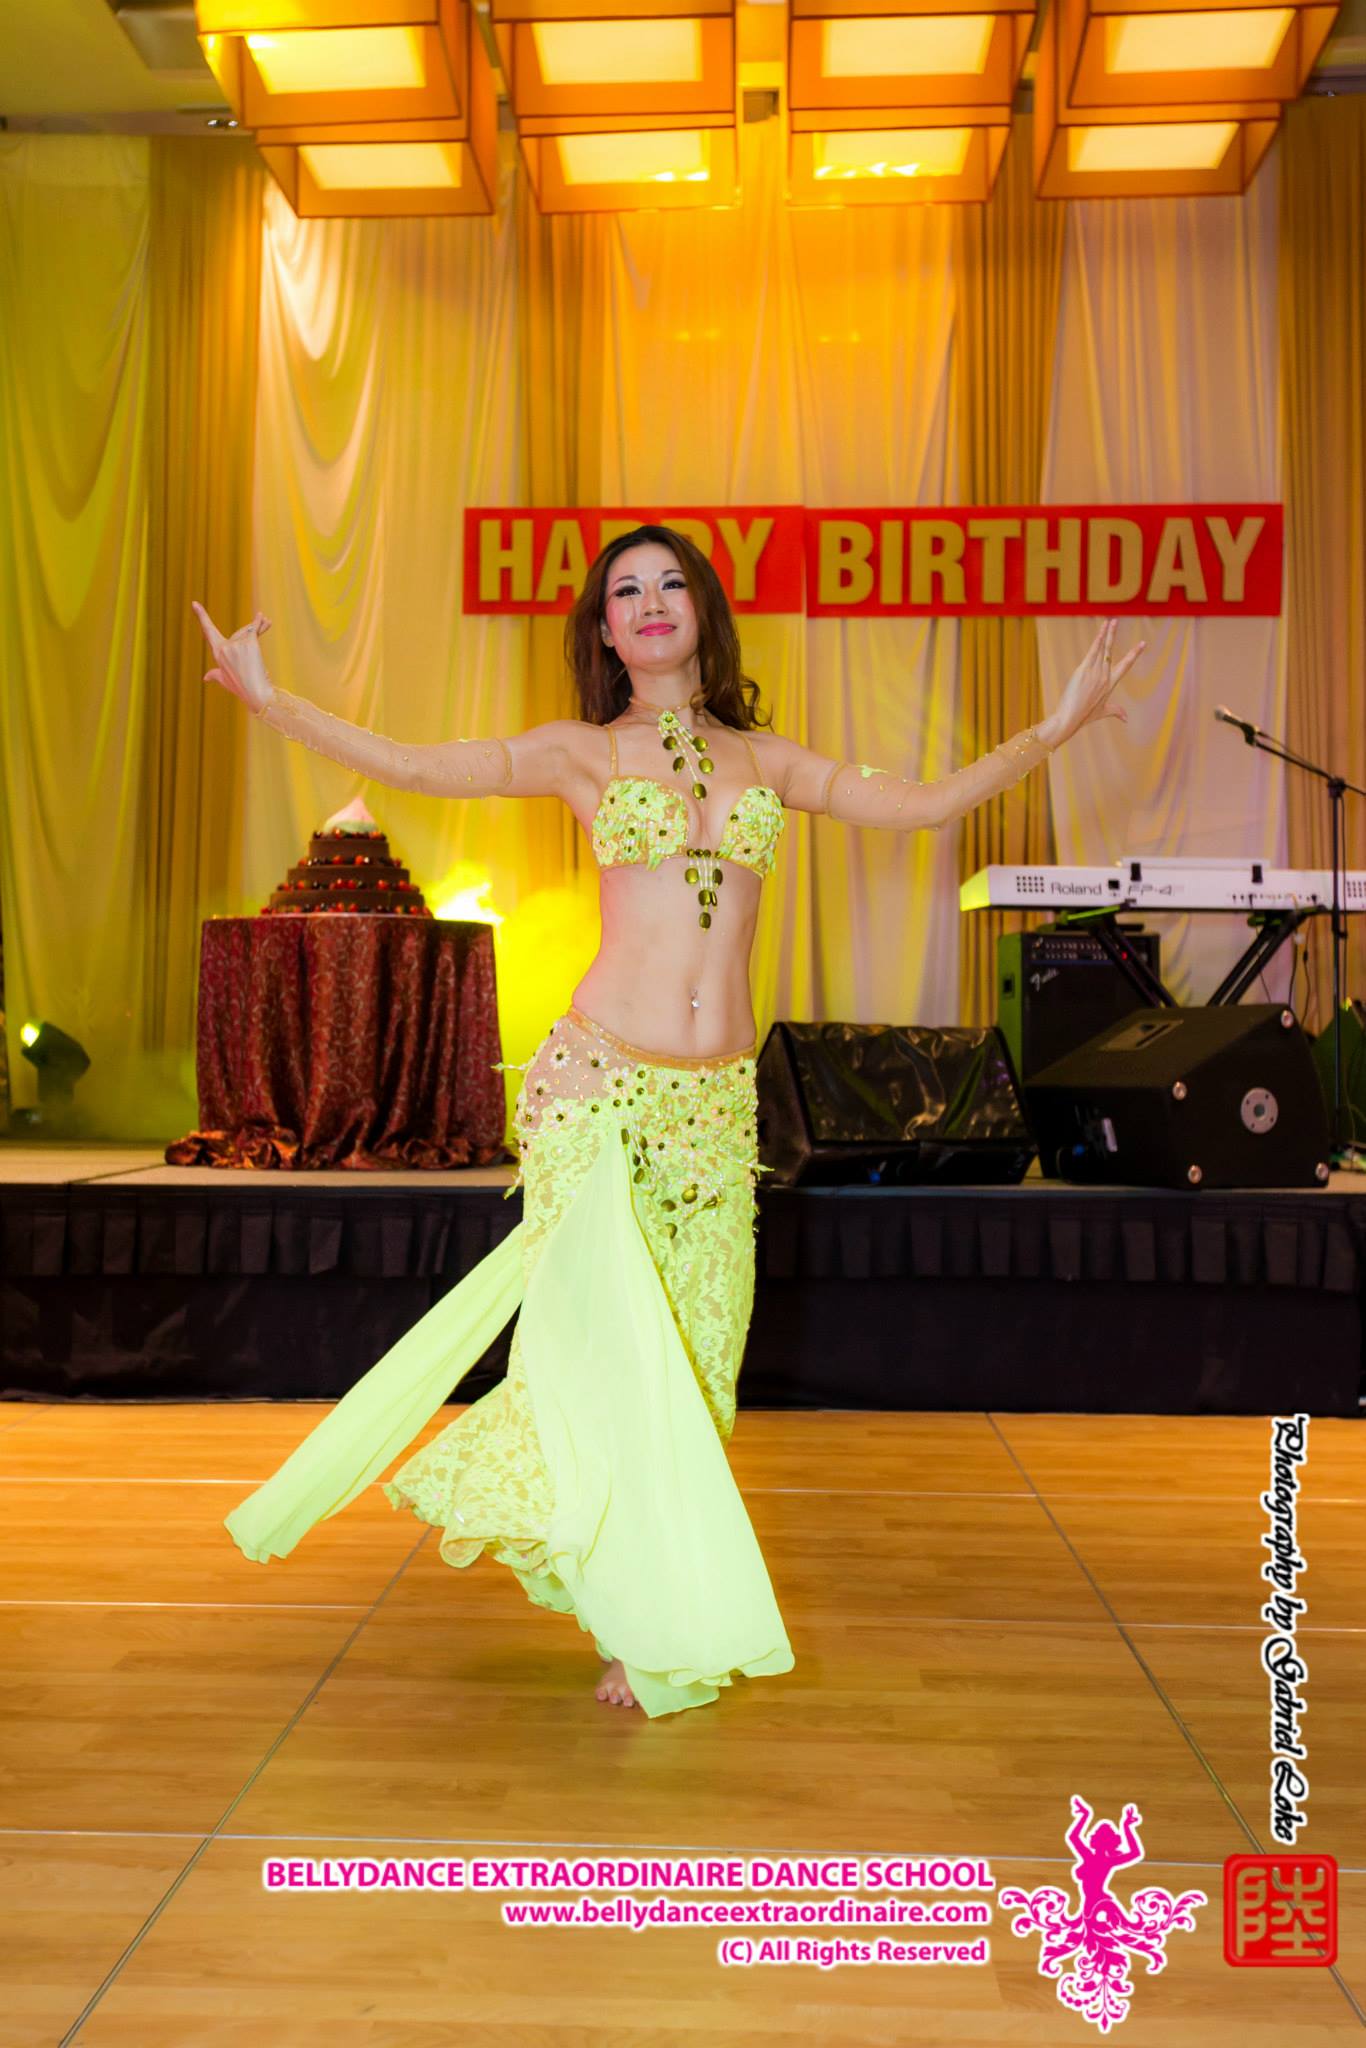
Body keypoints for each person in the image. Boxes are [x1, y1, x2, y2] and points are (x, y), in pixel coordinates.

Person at [192, 527, 1141, 1720]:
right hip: (596, 1087)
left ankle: (641, 1596)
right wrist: (277, 706)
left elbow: (922, 803)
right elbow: (420, 764)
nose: (648, 601)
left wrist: (1054, 728)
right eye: (624, 589)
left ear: (702, 609)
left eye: (669, 582)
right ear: (603, 627)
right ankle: (634, 1621)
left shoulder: (765, 758)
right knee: (615, 1358)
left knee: (694, 1364)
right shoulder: (583, 751)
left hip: (714, 1108)